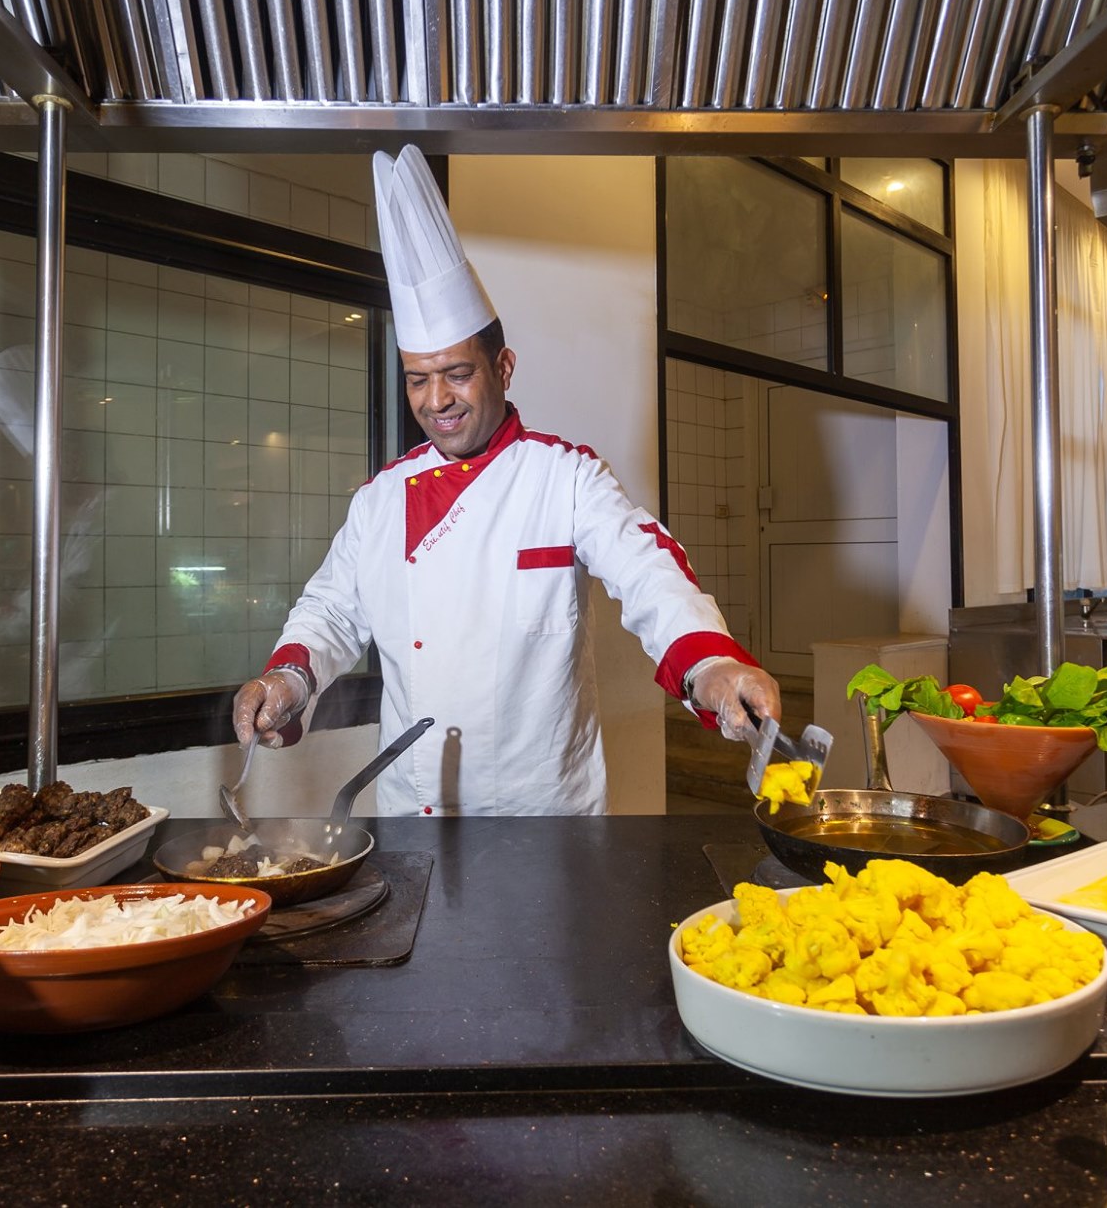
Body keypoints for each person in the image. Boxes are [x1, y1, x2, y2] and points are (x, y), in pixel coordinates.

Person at [230, 145, 779, 815]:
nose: (437, 400)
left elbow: (649, 573)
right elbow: (331, 611)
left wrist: (713, 664)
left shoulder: (564, 476)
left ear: (504, 367)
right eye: (418, 380)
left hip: (544, 817)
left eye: (457, 374)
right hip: (415, 815)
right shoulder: (379, 500)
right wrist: (287, 679)